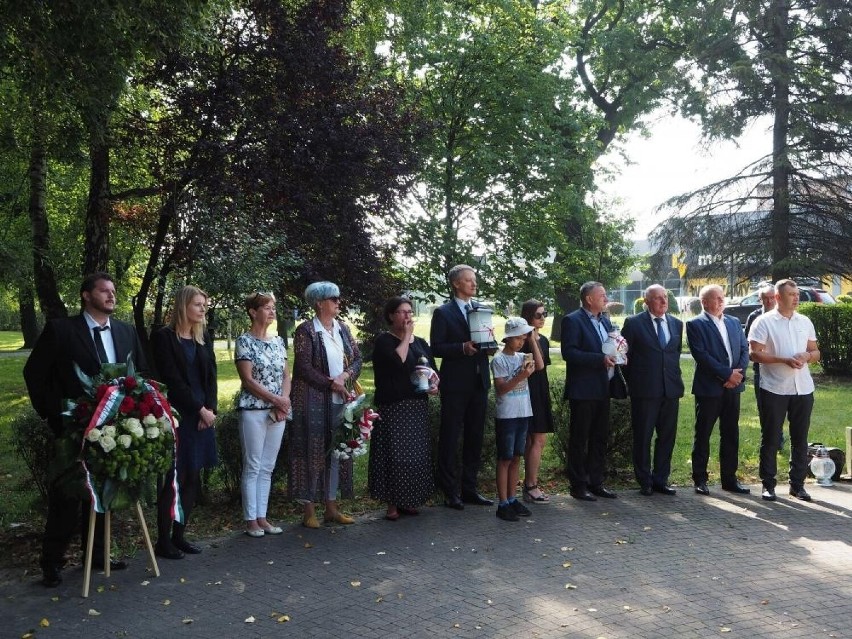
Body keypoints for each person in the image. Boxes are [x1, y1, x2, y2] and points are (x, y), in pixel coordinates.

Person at [24, 272, 147, 587]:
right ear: (85, 295)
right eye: (103, 290)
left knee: (105, 491)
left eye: (113, 290)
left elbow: (139, 375)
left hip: (115, 429)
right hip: (74, 429)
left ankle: (97, 555)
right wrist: (55, 415)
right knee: (66, 495)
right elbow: (35, 373)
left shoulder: (125, 332)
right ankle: (52, 562)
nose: (111, 295)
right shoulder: (61, 330)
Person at [151, 285, 218, 559]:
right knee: (173, 479)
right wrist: (198, 409)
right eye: (198, 304)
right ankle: (163, 540)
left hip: (202, 417)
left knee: (192, 477)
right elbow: (171, 380)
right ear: (183, 306)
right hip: (177, 416)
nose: (203, 309)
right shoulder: (163, 338)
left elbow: (211, 377)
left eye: (204, 304)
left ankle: (179, 536)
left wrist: (209, 410)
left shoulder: (203, 338)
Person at [288, 281, 362, 527]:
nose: (338, 302)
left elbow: (357, 359)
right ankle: (309, 510)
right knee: (312, 453)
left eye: (338, 298)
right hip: (312, 402)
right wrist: (331, 383)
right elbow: (303, 367)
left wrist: (345, 377)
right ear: (319, 303)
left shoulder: (342, 328)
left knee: (336, 452)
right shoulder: (306, 330)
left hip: (340, 401)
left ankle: (331, 507)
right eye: (334, 298)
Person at [749, 279, 820, 502]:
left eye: (797, 294)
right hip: (774, 388)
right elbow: (754, 354)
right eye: (791, 294)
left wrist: (807, 356)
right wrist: (784, 360)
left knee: (800, 438)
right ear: (778, 297)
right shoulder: (763, 322)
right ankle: (768, 485)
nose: (796, 298)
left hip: (803, 388)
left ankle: (797, 485)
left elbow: (815, 351)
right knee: (771, 437)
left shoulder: (805, 321)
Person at [368, 296, 438, 521]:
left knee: (415, 457)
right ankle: (392, 504)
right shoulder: (384, 341)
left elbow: (432, 370)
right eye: (402, 312)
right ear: (391, 316)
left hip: (416, 407)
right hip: (394, 407)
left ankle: (410, 500)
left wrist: (435, 385)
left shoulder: (421, 343)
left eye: (410, 311)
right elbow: (398, 360)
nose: (408, 316)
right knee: (394, 457)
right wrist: (407, 335)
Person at [430, 264, 493, 509]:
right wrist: (461, 348)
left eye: (474, 280)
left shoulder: (481, 310)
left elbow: (486, 338)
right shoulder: (443, 313)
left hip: (479, 381)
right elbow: (436, 347)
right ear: (456, 284)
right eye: (469, 281)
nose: (474, 285)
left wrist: (490, 345)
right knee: (451, 436)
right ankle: (449, 491)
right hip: (456, 383)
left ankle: (470, 488)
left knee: (475, 437)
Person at [234, 291, 291, 537]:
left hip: (278, 412)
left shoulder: (278, 342)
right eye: (266, 307)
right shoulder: (244, 341)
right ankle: (251, 521)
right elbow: (247, 380)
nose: (271, 311)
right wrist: (275, 399)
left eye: (273, 307)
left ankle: (263, 517)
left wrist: (284, 401)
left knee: (268, 467)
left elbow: (286, 375)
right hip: (254, 411)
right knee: (253, 465)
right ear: (253, 312)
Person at [686, 285, 750, 496]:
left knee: (731, 434)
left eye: (723, 297)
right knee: (703, 434)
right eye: (717, 298)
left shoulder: (733, 322)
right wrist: (726, 375)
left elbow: (743, 349)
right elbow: (701, 356)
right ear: (705, 302)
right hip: (709, 389)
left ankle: (729, 480)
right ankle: (700, 479)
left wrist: (736, 375)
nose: (722, 301)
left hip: (733, 388)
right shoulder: (695, 324)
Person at [621, 284, 684, 496]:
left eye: (665, 297)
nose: (663, 301)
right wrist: (636, 381)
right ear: (646, 302)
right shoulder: (633, 323)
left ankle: (661, 479)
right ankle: (644, 480)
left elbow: (673, 354)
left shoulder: (676, 324)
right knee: (643, 437)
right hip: (645, 391)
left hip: (671, 389)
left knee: (667, 437)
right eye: (657, 298)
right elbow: (624, 358)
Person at [561, 281, 618, 501]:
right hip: (583, 389)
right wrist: (599, 359)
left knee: (600, 437)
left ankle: (596, 482)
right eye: (602, 295)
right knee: (580, 438)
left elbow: (610, 345)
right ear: (589, 299)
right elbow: (570, 353)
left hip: (604, 387)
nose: (606, 298)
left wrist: (620, 353)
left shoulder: (605, 319)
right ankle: (578, 485)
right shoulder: (572, 320)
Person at [491, 317, 543, 521]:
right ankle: (502, 502)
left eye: (524, 338)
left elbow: (539, 366)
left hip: (523, 412)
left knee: (516, 457)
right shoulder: (499, 360)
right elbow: (501, 389)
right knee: (505, 458)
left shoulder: (523, 356)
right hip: (507, 415)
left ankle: (512, 498)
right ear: (508, 338)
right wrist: (521, 377)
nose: (521, 342)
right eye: (518, 338)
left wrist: (533, 340)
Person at [519, 300, 554, 503]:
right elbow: (538, 366)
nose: (542, 318)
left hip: (541, 390)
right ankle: (531, 485)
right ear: (528, 317)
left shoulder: (545, 340)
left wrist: (537, 339)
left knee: (537, 439)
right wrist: (532, 339)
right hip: (527, 391)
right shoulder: (523, 340)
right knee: (535, 439)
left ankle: (530, 484)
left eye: (544, 314)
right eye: (538, 315)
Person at [744, 285, 782, 447]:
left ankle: (778, 437)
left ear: (776, 298)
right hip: (761, 369)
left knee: (781, 406)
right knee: (764, 406)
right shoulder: (754, 317)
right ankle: (769, 438)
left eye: (771, 297)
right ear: (760, 299)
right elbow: (747, 342)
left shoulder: (783, 316)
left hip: (782, 368)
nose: (768, 301)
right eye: (765, 298)